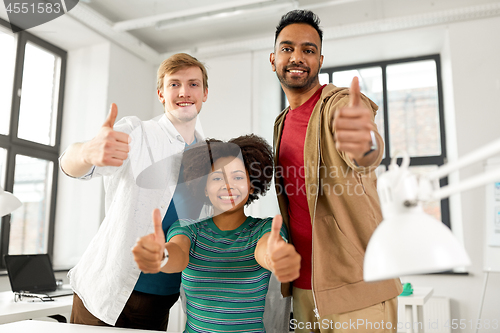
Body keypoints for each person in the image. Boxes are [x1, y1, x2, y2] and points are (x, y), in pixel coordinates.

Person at [270, 10, 403, 333]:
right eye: (287, 49)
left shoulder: (337, 104)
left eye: (309, 50)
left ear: (320, 60)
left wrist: (363, 141)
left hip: (359, 287)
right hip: (304, 289)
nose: (297, 57)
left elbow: (364, 151)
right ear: (273, 59)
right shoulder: (281, 123)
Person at [59, 53, 209, 330]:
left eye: (193, 84)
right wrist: (86, 153)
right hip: (104, 293)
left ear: (205, 93)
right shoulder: (136, 133)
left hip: (161, 300)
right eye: (174, 84)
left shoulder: (210, 156)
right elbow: (71, 165)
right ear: (161, 94)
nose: (184, 92)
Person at [132, 135, 301, 333]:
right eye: (217, 177)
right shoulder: (187, 228)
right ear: (204, 187)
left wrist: (275, 256)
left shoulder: (265, 229)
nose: (228, 186)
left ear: (252, 184)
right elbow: (178, 253)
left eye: (237, 177)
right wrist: (161, 256)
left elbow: (266, 251)